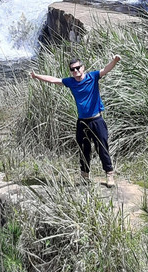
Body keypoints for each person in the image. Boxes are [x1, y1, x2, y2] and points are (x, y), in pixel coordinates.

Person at [30, 54, 121, 186]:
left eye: (78, 68)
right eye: (73, 69)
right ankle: (84, 176)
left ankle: (109, 174)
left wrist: (115, 60)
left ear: (83, 68)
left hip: (97, 120)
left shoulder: (92, 77)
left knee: (102, 148)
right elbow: (53, 80)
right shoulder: (70, 82)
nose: (76, 71)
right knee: (84, 149)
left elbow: (106, 69)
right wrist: (37, 76)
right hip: (82, 122)